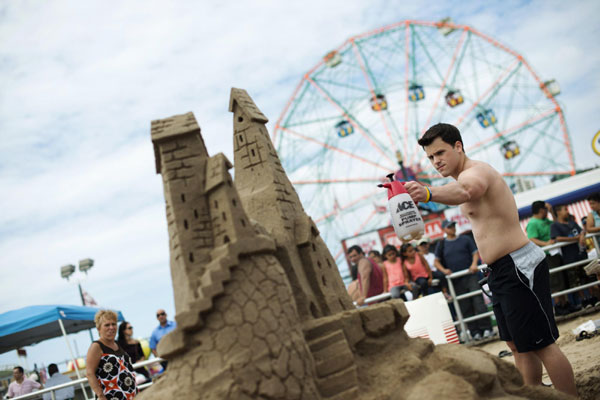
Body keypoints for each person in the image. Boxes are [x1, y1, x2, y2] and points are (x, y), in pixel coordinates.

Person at [404, 122, 576, 396]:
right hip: (500, 269)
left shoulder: (477, 172)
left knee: (543, 344)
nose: (436, 161)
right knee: (517, 345)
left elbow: (466, 192)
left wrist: (426, 192)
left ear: (458, 147)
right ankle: (533, 393)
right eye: (430, 158)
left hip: (519, 264)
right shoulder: (460, 179)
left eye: (440, 153)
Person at [434, 220, 493, 340]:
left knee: (479, 302)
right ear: (444, 229)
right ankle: (474, 332)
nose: (452, 228)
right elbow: (436, 261)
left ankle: (487, 329)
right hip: (455, 280)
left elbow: (475, 253)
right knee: (464, 306)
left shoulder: (465, 239)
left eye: (453, 226)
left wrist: (473, 264)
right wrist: (444, 270)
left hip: (470, 276)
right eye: (449, 227)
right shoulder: (442, 244)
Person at [527, 200, 575, 315]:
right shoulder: (533, 223)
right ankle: (558, 305)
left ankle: (564, 303)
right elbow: (531, 239)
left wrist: (552, 212)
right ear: (541, 210)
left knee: (561, 278)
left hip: (555, 253)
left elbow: (556, 224)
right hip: (546, 255)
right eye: (546, 210)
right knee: (554, 280)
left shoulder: (545, 220)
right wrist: (546, 244)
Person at [551, 205, 599, 308]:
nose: (567, 212)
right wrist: (575, 239)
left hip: (581, 254)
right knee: (576, 281)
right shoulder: (555, 226)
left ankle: (593, 298)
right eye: (565, 209)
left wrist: (581, 236)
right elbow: (557, 238)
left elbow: (582, 231)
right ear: (558, 212)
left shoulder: (572, 222)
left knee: (588, 277)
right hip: (570, 257)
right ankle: (584, 300)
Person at [86, 310, 137, 400]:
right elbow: (90, 373)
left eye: (114, 324)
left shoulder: (118, 344)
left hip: (130, 395)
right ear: (98, 328)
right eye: (107, 325)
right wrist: (100, 396)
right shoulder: (96, 346)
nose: (111, 327)